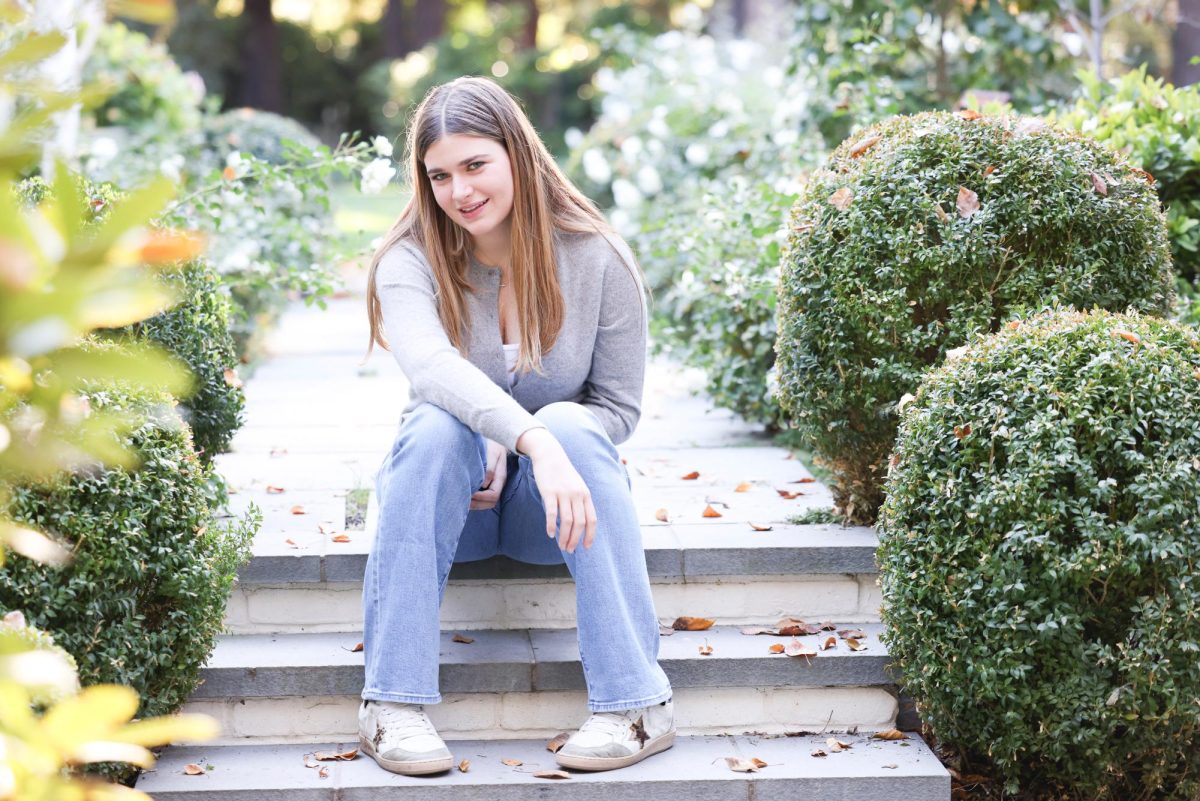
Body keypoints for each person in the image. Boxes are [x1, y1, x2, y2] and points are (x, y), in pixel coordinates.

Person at [360, 76, 674, 777]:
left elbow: (618, 409)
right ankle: (392, 705)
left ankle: (635, 704)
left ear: (517, 155)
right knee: (440, 425)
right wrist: (510, 436)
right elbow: (432, 368)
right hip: (451, 512)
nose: (459, 190)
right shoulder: (407, 261)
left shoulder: (598, 258)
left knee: (571, 420)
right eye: (439, 175)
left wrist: (543, 441)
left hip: (553, 515)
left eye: (475, 165)